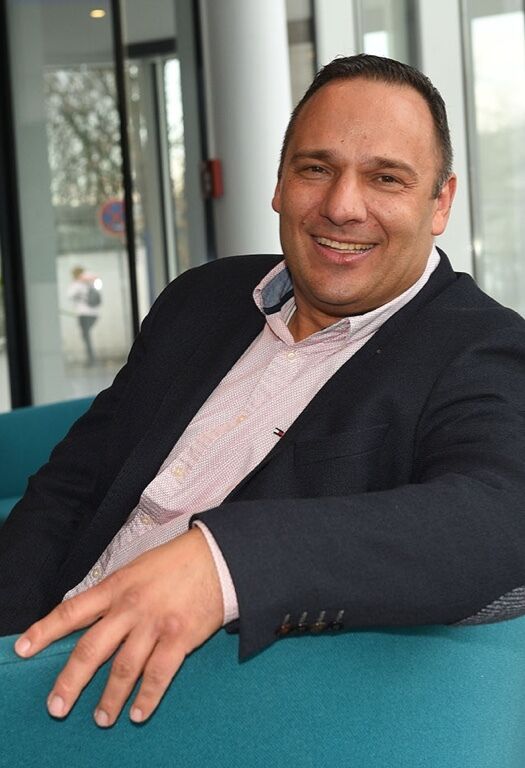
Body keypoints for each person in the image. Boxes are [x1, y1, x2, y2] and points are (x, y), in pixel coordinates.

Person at [1, 54, 525, 729]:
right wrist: (12, 647)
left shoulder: (478, 347)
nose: (342, 206)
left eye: (386, 178)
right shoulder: (200, 299)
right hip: (37, 667)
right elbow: (69, 490)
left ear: (440, 202)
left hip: (179, 716)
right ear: (278, 183)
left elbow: (497, 514)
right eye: (316, 169)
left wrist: (225, 563)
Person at [67, 266, 101, 366]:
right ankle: (91, 358)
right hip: (94, 314)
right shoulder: (90, 280)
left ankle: (91, 359)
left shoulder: (76, 284)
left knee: (86, 336)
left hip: (83, 314)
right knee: (86, 335)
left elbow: (69, 295)